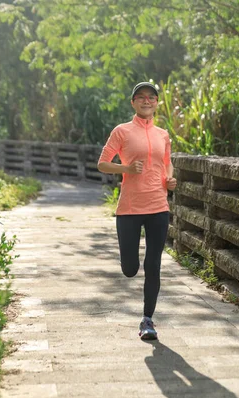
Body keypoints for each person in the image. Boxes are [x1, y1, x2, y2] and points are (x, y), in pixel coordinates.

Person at [97, 82, 177, 341]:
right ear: (133, 103)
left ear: (156, 103)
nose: (146, 101)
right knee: (130, 269)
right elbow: (102, 164)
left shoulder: (163, 134)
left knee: (153, 264)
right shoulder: (122, 132)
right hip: (130, 208)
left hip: (158, 206)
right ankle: (130, 266)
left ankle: (148, 320)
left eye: (151, 97)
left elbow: (167, 163)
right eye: (141, 97)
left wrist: (169, 179)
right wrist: (127, 170)